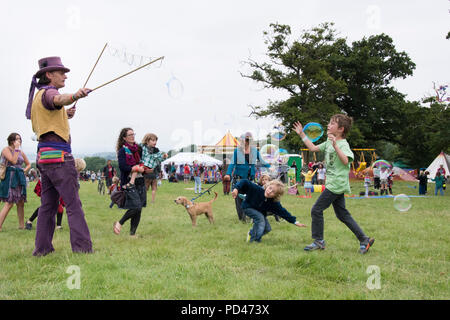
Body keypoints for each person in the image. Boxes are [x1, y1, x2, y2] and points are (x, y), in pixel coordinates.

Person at [26, 56, 93, 256]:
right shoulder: (50, 92)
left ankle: (42, 249)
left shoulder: (38, 95)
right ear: (49, 75)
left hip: (44, 158)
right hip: (59, 158)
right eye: (61, 72)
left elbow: (53, 111)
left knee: (47, 206)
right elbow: (57, 99)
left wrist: (66, 113)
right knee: (73, 204)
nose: (65, 75)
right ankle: (82, 249)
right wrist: (75, 96)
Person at [294, 114, 375, 254]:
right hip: (334, 183)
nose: (328, 125)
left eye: (332, 123)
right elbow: (312, 148)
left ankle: (318, 241)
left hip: (336, 184)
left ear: (341, 129)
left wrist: (335, 145)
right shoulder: (327, 142)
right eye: (329, 123)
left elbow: (345, 161)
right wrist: (302, 134)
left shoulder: (343, 144)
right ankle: (364, 239)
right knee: (342, 214)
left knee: (316, 210)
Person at [231, 179, 306, 243]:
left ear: (276, 196)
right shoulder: (256, 189)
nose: (269, 192)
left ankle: (252, 233)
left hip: (260, 212)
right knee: (260, 219)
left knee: (267, 229)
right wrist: (236, 189)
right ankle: (254, 240)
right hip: (248, 207)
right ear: (267, 186)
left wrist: (294, 222)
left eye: (273, 192)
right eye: (270, 188)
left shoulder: (273, 203)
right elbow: (245, 182)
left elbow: (283, 212)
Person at [223, 132, 270, 223]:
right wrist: (228, 174)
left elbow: (262, 161)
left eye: (247, 140)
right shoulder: (237, 151)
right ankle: (242, 217)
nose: (246, 142)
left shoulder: (254, 151)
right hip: (239, 179)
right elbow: (232, 163)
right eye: (244, 140)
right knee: (239, 198)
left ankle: (250, 214)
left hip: (250, 180)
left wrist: (270, 166)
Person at [113, 128, 147, 237]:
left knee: (139, 208)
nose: (133, 136)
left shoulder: (139, 149)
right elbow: (123, 167)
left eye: (133, 134)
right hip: (129, 182)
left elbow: (142, 162)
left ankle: (132, 234)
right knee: (136, 206)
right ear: (124, 138)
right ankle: (119, 222)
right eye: (130, 135)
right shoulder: (123, 150)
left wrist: (144, 168)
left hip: (140, 180)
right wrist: (135, 168)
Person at [0, 133, 31, 231]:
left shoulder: (21, 152)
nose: (19, 141)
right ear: (11, 140)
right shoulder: (6, 150)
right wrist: (16, 149)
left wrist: (24, 170)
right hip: (10, 177)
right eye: (17, 139)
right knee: (9, 202)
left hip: (19, 177)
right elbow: (13, 161)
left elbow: (29, 164)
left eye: (20, 139)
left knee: (21, 202)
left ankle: (21, 226)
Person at [140, 133, 167, 203]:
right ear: (147, 141)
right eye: (153, 140)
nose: (155, 142)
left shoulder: (156, 150)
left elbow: (159, 159)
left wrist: (164, 156)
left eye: (156, 141)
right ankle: (144, 200)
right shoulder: (142, 147)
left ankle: (145, 200)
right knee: (146, 188)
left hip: (150, 171)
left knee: (146, 188)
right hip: (142, 169)